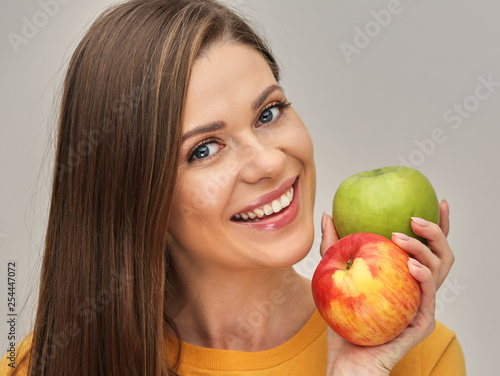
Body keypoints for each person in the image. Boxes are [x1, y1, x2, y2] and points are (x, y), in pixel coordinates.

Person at [1, 0, 466, 375]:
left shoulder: (419, 358)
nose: (268, 162)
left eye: (269, 113)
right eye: (204, 149)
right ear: (133, 194)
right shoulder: (42, 366)